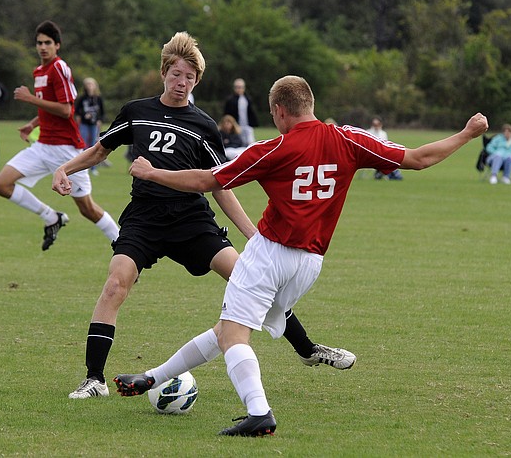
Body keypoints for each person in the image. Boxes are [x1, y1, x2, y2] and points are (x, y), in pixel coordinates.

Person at [114, 75, 488, 437]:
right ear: (309, 104)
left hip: (270, 253)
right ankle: (153, 377)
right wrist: (467, 134)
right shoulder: (348, 139)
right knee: (227, 329)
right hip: (309, 264)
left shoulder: (274, 148)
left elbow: (206, 180)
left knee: (233, 334)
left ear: (278, 111)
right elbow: (418, 159)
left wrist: (153, 173)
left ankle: (259, 413)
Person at [52, 33, 355, 401]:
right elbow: (101, 150)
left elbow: (219, 185)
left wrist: (251, 235)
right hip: (144, 219)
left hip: (191, 220)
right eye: (177, 74)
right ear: (164, 72)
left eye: (190, 78)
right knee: (116, 284)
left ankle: (307, 349)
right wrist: (65, 168)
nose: (182, 83)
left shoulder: (204, 125)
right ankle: (94, 379)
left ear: (197, 81)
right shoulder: (136, 111)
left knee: (249, 278)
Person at [0, 20, 119, 251]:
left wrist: (30, 98)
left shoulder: (59, 68)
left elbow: (66, 109)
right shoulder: (39, 71)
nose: (42, 47)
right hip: (42, 146)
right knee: (1, 184)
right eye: (39, 43)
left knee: (87, 209)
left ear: (57, 45)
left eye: (48, 43)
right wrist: (32, 124)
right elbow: (49, 107)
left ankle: (124, 245)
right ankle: (52, 217)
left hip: (66, 150)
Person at [73, 77, 104, 173]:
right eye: (88, 85)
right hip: (84, 124)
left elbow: (102, 112)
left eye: (91, 84)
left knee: (94, 145)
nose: (90, 86)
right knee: (83, 144)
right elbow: (77, 111)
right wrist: (81, 118)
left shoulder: (98, 98)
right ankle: (82, 166)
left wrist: (99, 120)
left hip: (94, 124)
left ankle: (93, 168)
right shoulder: (82, 98)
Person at [223, 77, 259, 144]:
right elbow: (227, 115)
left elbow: (251, 112)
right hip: (236, 127)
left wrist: (253, 123)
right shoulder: (230, 100)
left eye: (240, 87)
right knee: (239, 143)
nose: (239, 89)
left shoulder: (247, 99)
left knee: (250, 143)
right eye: (237, 87)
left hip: (247, 126)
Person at [366, 116, 403, 180]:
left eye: (377, 124)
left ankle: (384, 173)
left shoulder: (383, 134)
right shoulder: (368, 132)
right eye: (374, 124)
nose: (376, 126)